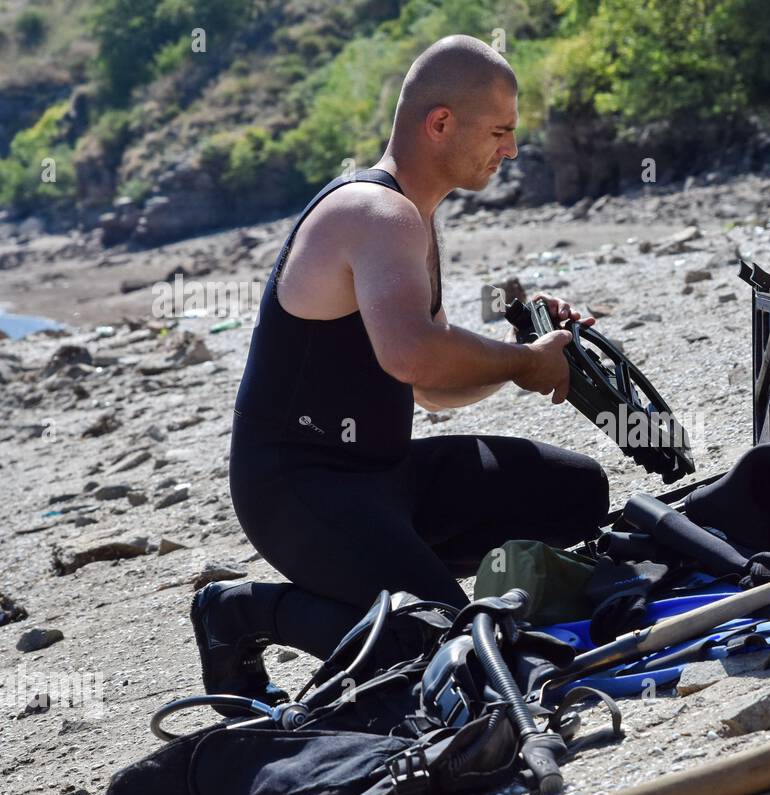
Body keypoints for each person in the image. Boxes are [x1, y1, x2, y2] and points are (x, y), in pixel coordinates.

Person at [191, 36, 609, 710]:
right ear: (440, 123)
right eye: (499, 131)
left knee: (577, 494)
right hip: (299, 490)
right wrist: (526, 365)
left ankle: (383, 582)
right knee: (445, 644)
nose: (509, 150)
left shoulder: (412, 216)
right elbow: (412, 352)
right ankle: (239, 612)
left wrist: (518, 352)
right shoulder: (375, 213)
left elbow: (431, 386)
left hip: (383, 475)